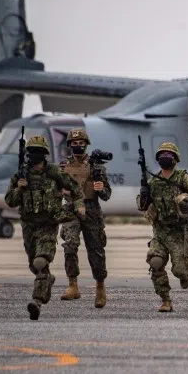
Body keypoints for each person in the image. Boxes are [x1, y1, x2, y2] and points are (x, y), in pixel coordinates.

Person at [4, 135, 85, 320]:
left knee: (41, 261)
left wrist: (79, 205)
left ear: (45, 154)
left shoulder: (54, 172)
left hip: (48, 224)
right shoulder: (20, 175)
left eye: (39, 152)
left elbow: (75, 189)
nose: (35, 155)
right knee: (35, 265)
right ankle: (47, 279)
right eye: (32, 151)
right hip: (29, 226)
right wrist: (19, 189)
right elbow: (10, 201)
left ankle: (37, 302)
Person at [136, 142, 188, 312]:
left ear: (175, 159)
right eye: (162, 155)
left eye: (169, 155)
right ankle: (165, 300)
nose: (165, 157)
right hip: (160, 231)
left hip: (179, 232)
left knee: (179, 271)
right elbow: (141, 205)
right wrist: (144, 199)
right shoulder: (152, 182)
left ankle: (186, 271)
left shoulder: (184, 179)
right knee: (155, 262)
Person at [57, 128, 111, 308]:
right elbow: (55, 189)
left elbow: (106, 194)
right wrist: (61, 191)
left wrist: (100, 188)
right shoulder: (63, 167)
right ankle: (73, 285)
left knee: (96, 249)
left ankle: (100, 286)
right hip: (71, 208)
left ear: (86, 145)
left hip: (91, 208)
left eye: (81, 144)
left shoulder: (97, 167)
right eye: (74, 144)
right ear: (69, 146)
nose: (78, 146)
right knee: (70, 244)